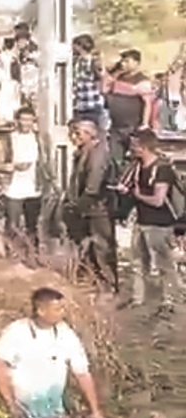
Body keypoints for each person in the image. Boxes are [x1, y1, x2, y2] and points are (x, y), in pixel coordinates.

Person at [0, 287, 105, 418]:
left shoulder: (65, 334)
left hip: (53, 415)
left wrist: (95, 410)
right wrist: (10, 407)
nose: (63, 313)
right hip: (22, 414)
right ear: (40, 311)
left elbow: (82, 373)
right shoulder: (16, 333)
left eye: (63, 308)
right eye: (57, 309)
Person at [119, 130, 183, 315]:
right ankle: (139, 300)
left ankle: (169, 301)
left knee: (164, 264)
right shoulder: (137, 166)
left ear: (144, 147)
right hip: (141, 221)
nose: (131, 148)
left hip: (160, 223)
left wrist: (137, 195)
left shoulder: (162, 169)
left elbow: (158, 200)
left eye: (134, 145)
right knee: (139, 263)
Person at [67, 118, 119, 294]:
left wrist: (78, 207)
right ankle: (92, 281)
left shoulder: (97, 153)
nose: (73, 137)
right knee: (88, 247)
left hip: (98, 207)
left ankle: (108, 286)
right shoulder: (83, 152)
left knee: (102, 247)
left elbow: (93, 186)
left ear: (90, 134)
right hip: (88, 207)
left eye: (78, 133)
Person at [2, 106, 45, 262]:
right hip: (14, 186)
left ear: (34, 121)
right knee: (12, 224)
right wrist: (13, 166)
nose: (26, 123)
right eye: (23, 119)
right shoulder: (10, 138)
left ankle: (33, 254)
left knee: (32, 224)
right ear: (17, 121)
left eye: (29, 120)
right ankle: (12, 254)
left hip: (34, 187)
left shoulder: (39, 138)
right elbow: (0, 163)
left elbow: (46, 162)